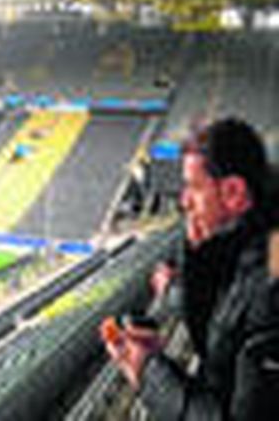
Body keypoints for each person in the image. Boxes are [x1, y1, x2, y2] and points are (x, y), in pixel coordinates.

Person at [103, 117, 279, 419]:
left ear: (234, 192)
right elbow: (221, 363)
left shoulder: (270, 291)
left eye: (193, 187)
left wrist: (146, 370)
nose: (184, 201)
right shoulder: (246, 249)